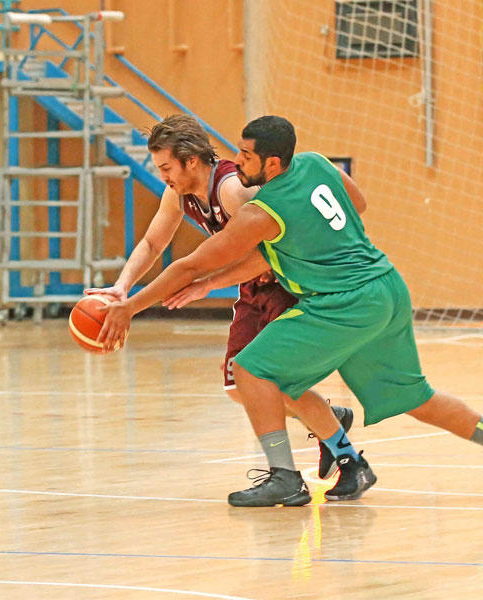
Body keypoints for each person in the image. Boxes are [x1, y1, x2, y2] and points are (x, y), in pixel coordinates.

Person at [98, 115, 483, 507]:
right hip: (386, 286)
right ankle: (347, 452)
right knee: (418, 399)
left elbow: (190, 266)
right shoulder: (315, 162)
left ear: (272, 165)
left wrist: (130, 308)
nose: (236, 161)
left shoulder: (261, 210)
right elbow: (359, 203)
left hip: (342, 301)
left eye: (246, 157)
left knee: (252, 370)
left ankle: (285, 478)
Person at [86, 114, 354, 487]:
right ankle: (327, 418)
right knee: (236, 387)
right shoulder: (178, 193)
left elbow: (273, 248)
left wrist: (207, 283)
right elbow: (152, 243)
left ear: (191, 161)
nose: (163, 175)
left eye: (166, 167)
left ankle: (321, 464)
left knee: (272, 382)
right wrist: (122, 287)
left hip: (286, 283)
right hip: (249, 286)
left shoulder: (232, 190)